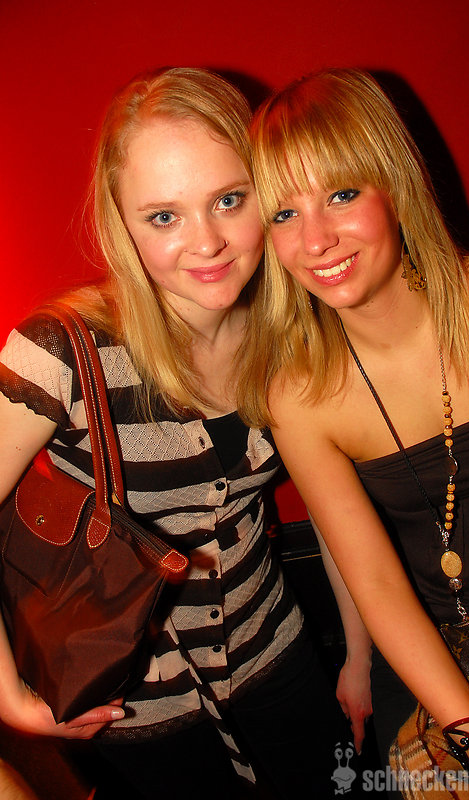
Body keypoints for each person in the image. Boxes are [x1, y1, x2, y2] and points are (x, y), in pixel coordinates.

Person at [0, 67, 356, 800]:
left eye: (229, 199)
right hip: (135, 709)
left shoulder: (297, 335)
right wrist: (6, 694)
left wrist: (359, 652)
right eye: (164, 216)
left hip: (281, 657)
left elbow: (334, 510)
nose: (209, 243)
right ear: (122, 224)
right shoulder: (62, 351)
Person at [246, 66, 469, 798]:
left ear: (395, 187)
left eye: (342, 195)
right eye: (284, 213)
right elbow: (376, 585)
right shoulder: (299, 397)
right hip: (452, 652)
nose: (316, 239)